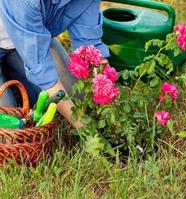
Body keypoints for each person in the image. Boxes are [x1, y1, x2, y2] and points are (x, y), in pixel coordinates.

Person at [0, 0, 110, 129]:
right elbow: (46, 76)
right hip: (17, 37)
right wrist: (85, 130)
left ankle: (16, 73)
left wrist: (107, 92)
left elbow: (91, 46)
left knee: (76, 99)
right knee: (8, 128)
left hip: (33, 40)